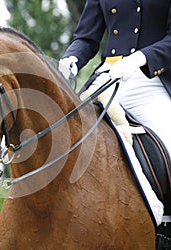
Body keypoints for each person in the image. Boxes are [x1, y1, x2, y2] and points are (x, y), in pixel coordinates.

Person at [58, 0, 171, 227]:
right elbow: (86, 37)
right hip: (107, 79)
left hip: (151, 79)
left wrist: (139, 59)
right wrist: (72, 58)